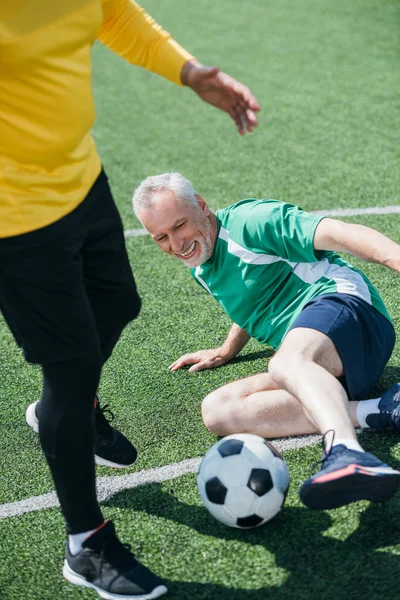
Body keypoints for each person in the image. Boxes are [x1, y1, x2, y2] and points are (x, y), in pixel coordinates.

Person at [1, 2, 260, 598]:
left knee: (118, 303)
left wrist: (191, 71)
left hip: (80, 181)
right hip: (13, 220)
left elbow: (111, 13)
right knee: (68, 367)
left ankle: (68, 411)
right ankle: (85, 545)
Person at [132, 171, 400, 512]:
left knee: (286, 362)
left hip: (351, 314)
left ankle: (346, 451)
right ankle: (382, 409)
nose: (176, 243)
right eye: (161, 237)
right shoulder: (201, 264)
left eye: (180, 225)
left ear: (201, 205)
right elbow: (253, 300)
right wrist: (227, 348)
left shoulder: (249, 222)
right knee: (218, 411)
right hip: (325, 365)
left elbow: (342, 234)